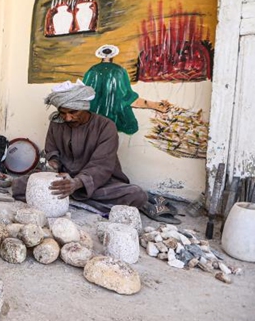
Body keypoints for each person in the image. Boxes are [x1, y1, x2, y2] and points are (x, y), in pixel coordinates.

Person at [12, 81, 148, 212]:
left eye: (73, 112)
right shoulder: (56, 123)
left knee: (136, 195)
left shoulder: (106, 126)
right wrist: (53, 165)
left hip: (97, 182)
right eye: (62, 112)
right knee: (19, 185)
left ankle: (70, 197)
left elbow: (102, 165)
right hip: (65, 178)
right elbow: (52, 151)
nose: (67, 118)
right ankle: (74, 198)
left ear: (84, 108)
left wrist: (77, 183)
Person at [82, 44, 169, 134]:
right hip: (114, 123)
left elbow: (82, 95)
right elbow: (128, 98)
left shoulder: (92, 70)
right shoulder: (119, 71)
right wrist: (154, 105)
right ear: (113, 55)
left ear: (101, 56)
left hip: (92, 124)